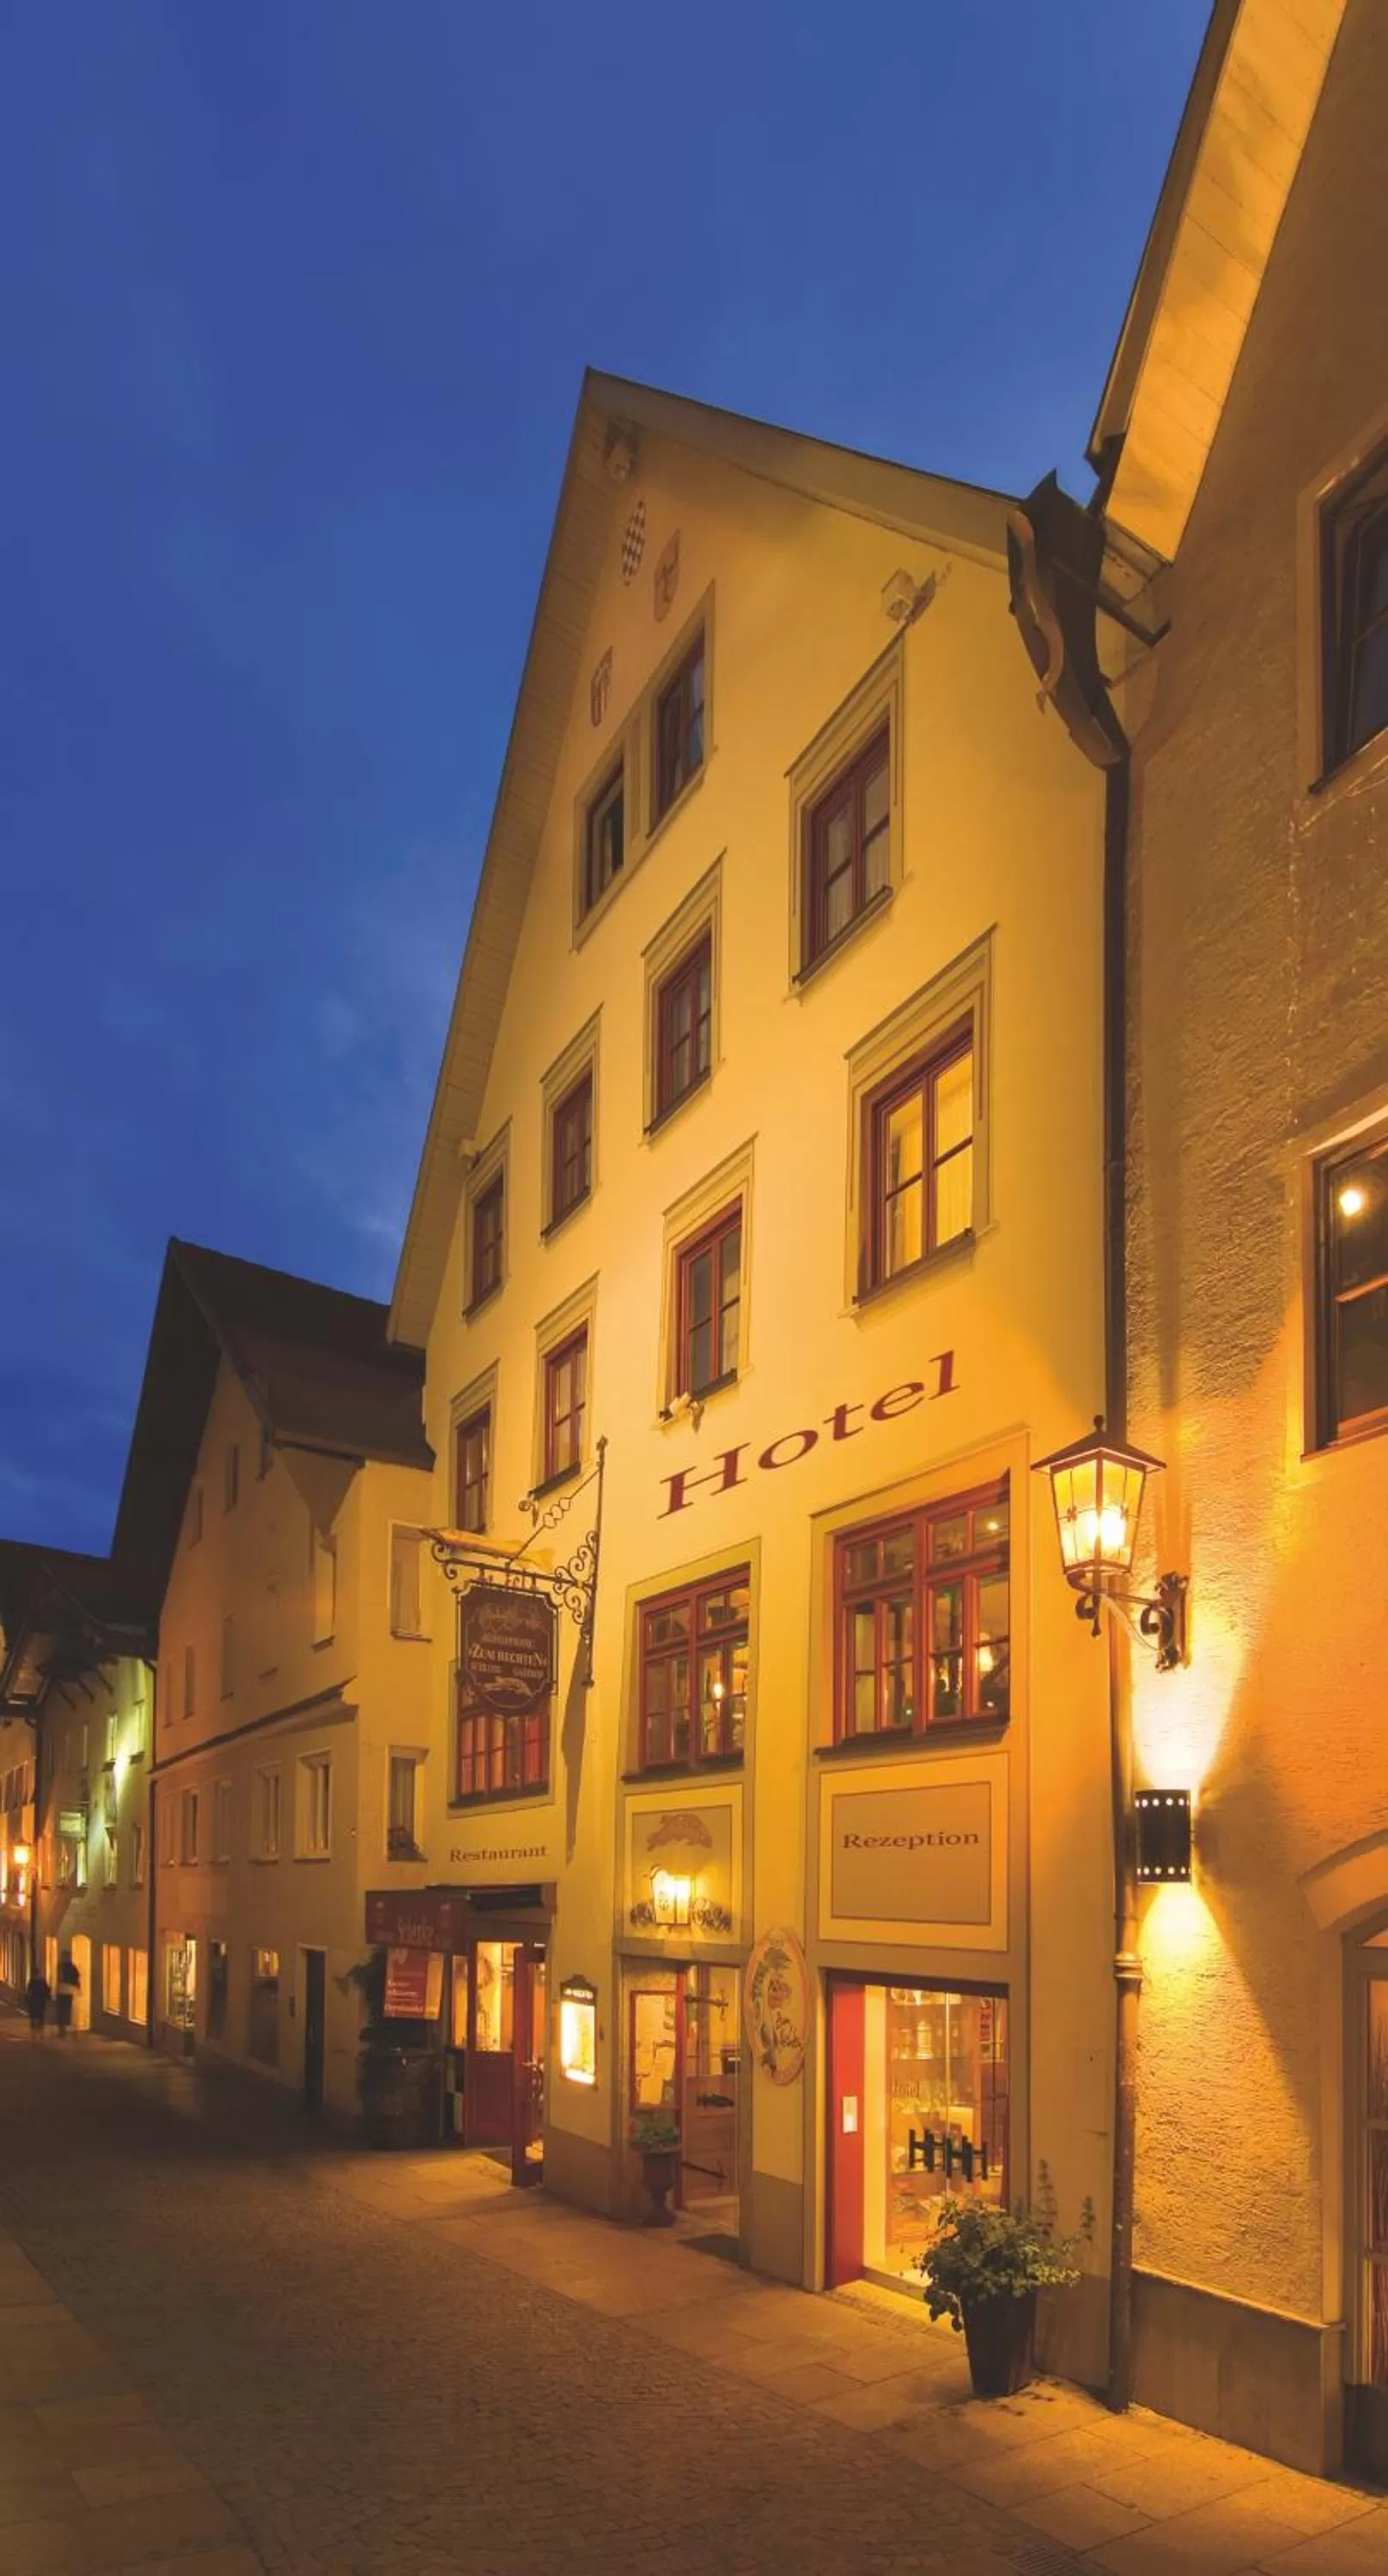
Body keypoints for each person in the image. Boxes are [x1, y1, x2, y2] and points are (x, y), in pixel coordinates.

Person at [54, 1950, 80, 2036]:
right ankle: (66, 2028)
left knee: (61, 2010)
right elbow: (76, 1977)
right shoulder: (72, 1967)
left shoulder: (61, 1966)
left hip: (62, 1989)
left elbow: (59, 1977)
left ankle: (62, 2029)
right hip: (70, 1990)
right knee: (67, 2009)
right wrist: (77, 1987)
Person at [24, 1971, 49, 2037]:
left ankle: (36, 2030)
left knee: (35, 2016)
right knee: (38, 2016)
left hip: (36, 2001)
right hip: (39, 2001)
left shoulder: (33, 1982)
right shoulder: (40, 1982)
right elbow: (47, 1990)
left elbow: (29, 1991)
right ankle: (38, 2030)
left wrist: (28, 1999)